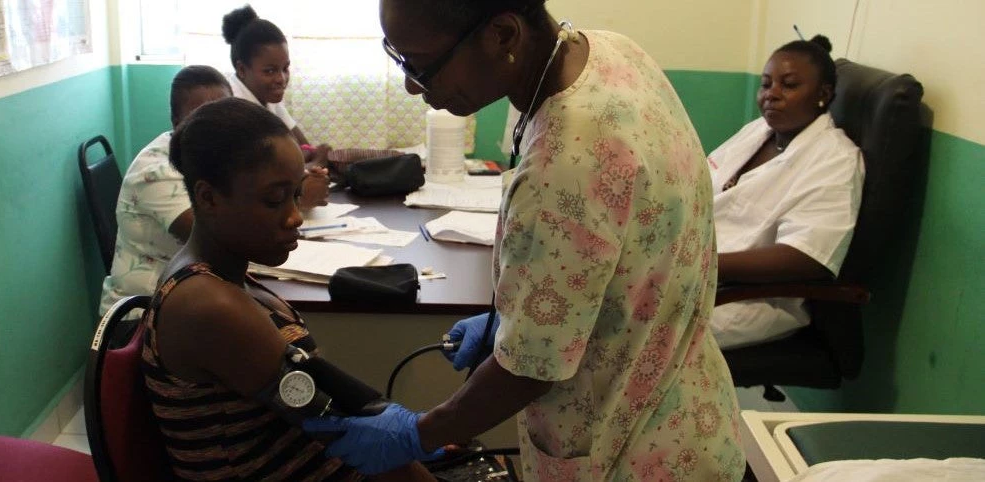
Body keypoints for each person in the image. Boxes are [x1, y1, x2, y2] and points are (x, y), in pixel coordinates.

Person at [303, 1, 745, 480]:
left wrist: (421, 432)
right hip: (691, 415)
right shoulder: (614, 53)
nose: (412, 85)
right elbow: (634, 249)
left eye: (420, 65)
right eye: (399, 59)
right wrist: (525, 311)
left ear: (503, 36)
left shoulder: (565, 162)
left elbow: (530, 369)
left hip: (629, 453)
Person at [139, 97, 435, 482]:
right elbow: (346, 425)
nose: (295, 216)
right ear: (209, 197)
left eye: (297, 194)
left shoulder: (228, 276)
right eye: (274, 200)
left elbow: (339, 401)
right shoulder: (208, 305)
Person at [98, 65, 329, 315]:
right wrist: (301, 196)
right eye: (203, 115)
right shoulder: (155, 171)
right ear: (177, 123)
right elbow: (218, 229)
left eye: (228, 114)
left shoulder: (228, 162)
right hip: (138, 314)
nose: (220, 128)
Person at [707, 35, 864, 349]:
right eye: (766, 84)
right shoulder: (757, 131)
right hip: (694, 274)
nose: (771, 95)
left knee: (621, 334)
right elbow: (700, 184)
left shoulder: (835, 160)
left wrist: (702, 265)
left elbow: (807, 259)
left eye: (788, 86)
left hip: (744, 300)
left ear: (824, 94)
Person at [221, 5, 333, 166]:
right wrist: (318, 162)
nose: (281, 78)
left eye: (285, 68)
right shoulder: (235, 109)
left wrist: (310, 153)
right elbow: (274, 175)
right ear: (242, 69)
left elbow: (301, 145)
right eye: (270, 71)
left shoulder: (267, 94)